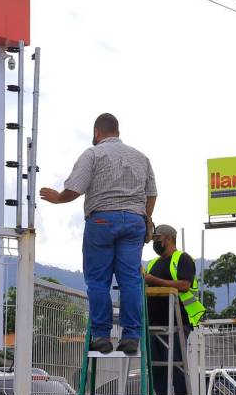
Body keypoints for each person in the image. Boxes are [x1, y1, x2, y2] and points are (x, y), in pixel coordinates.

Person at [40, 114, 156, 355]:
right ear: (117, 131)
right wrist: (146, 217)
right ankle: (131, 336)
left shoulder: (92, 154)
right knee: (130, 280)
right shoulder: (141, 157)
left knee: (98, 281)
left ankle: (101, 335)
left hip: (102, 219)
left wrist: (58, 198)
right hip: (134, 221)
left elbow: (75, 188)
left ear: (97, 132)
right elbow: (152, 193)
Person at [142, 225, 205, 395]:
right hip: (154, 324)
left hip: (177, 322)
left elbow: (185, 285)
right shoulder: (152, 264)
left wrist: (153, 281)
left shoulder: (182, 259)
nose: (154, 242)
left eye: (157, 238)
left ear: (168, 238)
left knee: (176, 368)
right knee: (157, 370)